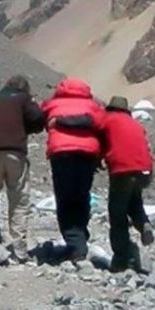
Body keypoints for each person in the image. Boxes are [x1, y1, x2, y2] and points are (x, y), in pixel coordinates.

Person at [0, 75, 46, 261]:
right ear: (24, 88)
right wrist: (25, 129)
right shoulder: (23, 100)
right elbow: (38, 118)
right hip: (15, 154)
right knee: (19, 200)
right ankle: (20, 250)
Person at [40, 77, 106, 262]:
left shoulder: (52, 104)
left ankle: (75, 244)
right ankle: (80, 237)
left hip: (61, 154)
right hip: (88, 155)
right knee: (81, 195)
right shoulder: (94, 106)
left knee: (65, 197)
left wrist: (59, 122)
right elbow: (102, 125)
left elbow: (40, 117)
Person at [100, 96, 155, 272]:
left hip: (122, 170)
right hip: (144, 170)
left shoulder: (107, 120)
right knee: (134, 200)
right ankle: (143, 224)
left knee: (117, 213)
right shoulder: (135, 124)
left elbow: (99, 139)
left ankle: (121, 258)